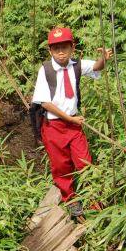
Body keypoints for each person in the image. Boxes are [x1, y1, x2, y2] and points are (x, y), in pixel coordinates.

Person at [31, 27, 112, 218]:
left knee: (85, 163)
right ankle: (72, 201)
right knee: (61, 167)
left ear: (72, 48)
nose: (61, 52)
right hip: (54, 127)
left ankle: (94, 200)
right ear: (50, 50)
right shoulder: (46, 70)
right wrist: (69, 118)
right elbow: (45, 103)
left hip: (74, 126)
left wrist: (104, 60)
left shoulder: (75, 65)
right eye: (56, 48)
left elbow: (96, 67)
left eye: (65, 47)